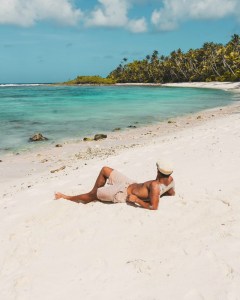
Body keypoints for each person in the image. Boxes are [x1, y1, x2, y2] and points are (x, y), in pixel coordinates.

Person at [54, 161, 175, 210]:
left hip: (122, 193)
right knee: (105, 169)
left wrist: (137, 199)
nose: (156, 170)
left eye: (157, 169)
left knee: (93, 195)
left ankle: (68, 197)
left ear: (159, 172)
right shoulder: (170, 180)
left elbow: (153, 207)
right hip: (130, 183)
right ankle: (95, 192)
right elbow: (171, 193)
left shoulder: (155, 185)